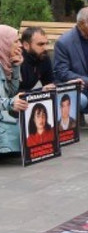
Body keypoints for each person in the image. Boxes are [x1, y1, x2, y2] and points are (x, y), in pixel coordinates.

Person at [0, 26, 26, 154]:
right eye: (16, 41)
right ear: (4, 43)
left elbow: (10, 92)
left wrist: (15, 67)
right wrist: (11, 103)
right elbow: (9, 99)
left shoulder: (2, 63)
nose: (20, 45)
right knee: (24, 134)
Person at [19, 26, 54, 92]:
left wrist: (69, 85)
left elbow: (50, 84)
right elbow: (12, 94)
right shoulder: (17, 60)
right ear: (26, 45)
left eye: (46, 43)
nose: (45, 48)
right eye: (40, 44)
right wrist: (40, 91)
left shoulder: (43, 57)